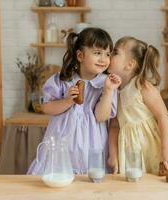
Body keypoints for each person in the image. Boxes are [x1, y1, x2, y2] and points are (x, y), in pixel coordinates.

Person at [107, 36, 168, 175]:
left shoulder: (142, 87)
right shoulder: (113, 90)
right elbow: (114, 125)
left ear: (129, 64)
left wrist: (166, 150)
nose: (109, 55)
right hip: (132, 149)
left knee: (165, 180)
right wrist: (113, 154)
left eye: (115, 52)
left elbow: (163, 117)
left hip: (154, 145)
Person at [28, 28, 121, 175]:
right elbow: (46, 108)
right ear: (80, 55)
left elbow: (101, 117)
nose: (104, 59)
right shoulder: (63, 79)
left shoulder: (106, 83)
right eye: (97, 53)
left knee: (89, 183)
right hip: (63, 141)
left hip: (92, 144)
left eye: (107, 54)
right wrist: (67, 101)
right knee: (58, 178)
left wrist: (108, 91)